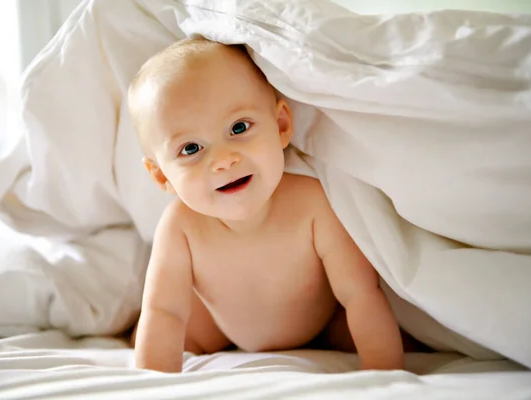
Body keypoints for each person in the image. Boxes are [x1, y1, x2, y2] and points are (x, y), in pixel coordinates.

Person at [127, 37, 404, 373]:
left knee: (371, 330)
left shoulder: (313, 205)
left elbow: (359, 293)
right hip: (218, 328)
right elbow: (164, 311)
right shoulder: (180, 227)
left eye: (238, 128)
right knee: (154, 330)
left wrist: (385, 373)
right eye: (190, 149)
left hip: (322, 325)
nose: (223, 161)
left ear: (281, 125)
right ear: (161, 177)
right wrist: (153, 383)